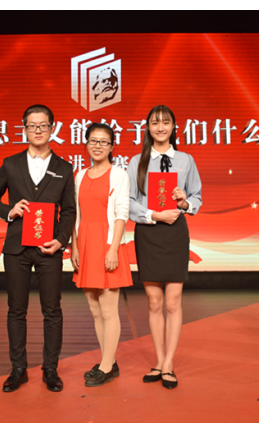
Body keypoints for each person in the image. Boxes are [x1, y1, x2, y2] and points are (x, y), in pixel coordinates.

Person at [0, 105, 76, 393]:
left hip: (49, 248)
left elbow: (69, 210)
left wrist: (61, 240)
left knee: (52, 310)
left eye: (43, 125)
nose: (38, 130)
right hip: (16, 248)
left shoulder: (64, 168)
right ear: (24, 129)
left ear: (52, 129)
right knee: (16, 310)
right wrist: (9, 211)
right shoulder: (11, 164)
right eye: (32, 125)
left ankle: (50, 369)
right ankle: (18, 369)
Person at [126, 105, 202, 389]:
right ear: (147, 127)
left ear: (173, 127)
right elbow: (129, 201)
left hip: (175, 233)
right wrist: (154, 215)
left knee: (172, 302)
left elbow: (196, 197)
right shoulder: (137, 161)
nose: (160, 127)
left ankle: (169, 364)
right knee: (154, 302)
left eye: (166, 122)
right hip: (148, 233)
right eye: (155, 122)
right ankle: (158, 361)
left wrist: (184, 202)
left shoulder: (185, 159)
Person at [71, 123, 132, 387]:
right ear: (86, 144)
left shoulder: (119, 175)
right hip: (85, 244)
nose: (98, 146)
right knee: (95, 310)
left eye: (103, 141)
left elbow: (121, 214)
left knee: (108, 310)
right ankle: (109, 359)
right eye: (93, 141)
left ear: (111, 146)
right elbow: (75, 214)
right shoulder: (79, 176)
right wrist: (74, 246)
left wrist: (113, 249)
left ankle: (106, 366)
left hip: (107, 244)